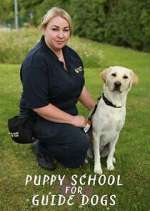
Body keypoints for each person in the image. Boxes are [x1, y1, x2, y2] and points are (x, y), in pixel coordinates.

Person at [19, 7, 96, 170]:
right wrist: (73, 120)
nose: (61, 35)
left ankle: (64, 138)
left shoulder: (72, 55)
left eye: (65, 30)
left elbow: (78, 85)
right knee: (78, 150)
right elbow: (39, 106)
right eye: (55, 29)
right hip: (40, 118)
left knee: (92, 133)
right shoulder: (35, 62)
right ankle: (41, 146)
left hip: (66, 111)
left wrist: (96, 108)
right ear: (44, 29)